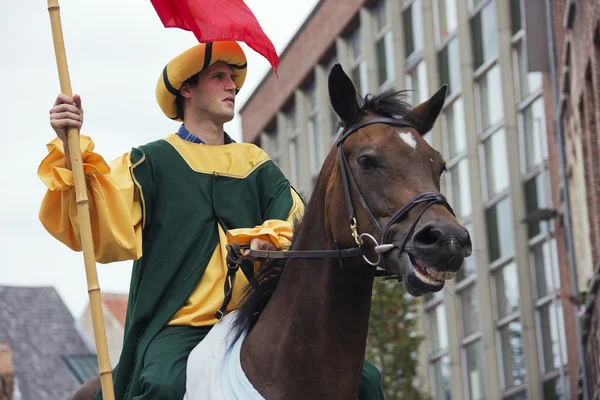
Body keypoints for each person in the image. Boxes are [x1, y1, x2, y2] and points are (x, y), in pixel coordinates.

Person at [39, 41, 384, 399]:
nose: (232, 85)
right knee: (164, 386)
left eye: (233, 79)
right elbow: (100, 214)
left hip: (256, 317)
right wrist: (70, 147)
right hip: (181, 324)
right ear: (186, 89)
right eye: (219, 77)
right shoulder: (152, 161)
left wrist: (271, 238)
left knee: (364, 381)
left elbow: (298, 219)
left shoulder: (255, 162)